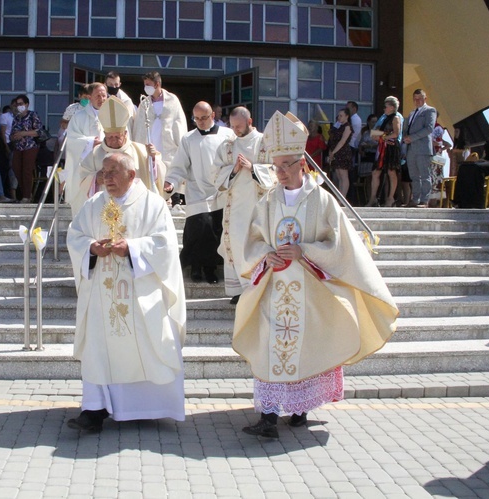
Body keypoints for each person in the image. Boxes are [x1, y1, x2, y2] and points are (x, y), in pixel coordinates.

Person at [234, 111, 398, 439]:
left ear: (302, 165)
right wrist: (266, 256)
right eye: (275, 166)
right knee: (270, 345)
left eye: (285, 166)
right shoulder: (267, 203)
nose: (279, 173)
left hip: (311, 289)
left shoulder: (322, 201)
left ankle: (299, 410)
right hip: (273, 288)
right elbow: (252, 242)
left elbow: (338, 245)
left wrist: (304, 251)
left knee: (307, 344)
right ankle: (267, 417)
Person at [66, 152, 186, 432]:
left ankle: (147, 406)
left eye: (113, 172)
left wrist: (131, 248)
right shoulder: (94, 204)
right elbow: (76, 235)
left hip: (141, 292)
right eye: (104, 172)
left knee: (146, 344)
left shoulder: (153, 205)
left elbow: (165, 245)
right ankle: (94, 410)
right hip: (101, 294)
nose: (106, 178)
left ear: (132, 175)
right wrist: (91, 248)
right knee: (98, 346)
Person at [164, 102, 236, 283]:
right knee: (198, 229)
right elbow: (179, 165)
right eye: (196, 119)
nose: (200, 122)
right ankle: (195, 268)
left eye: (204, 118)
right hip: (197, 191)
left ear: (212, 115)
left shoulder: (228, 135)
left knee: (214, 230)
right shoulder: (188, 139)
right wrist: (171, 183)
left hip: (221, 190)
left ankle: (210, 269)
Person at [214, 106, 275, 304]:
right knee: (237, 245)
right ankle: (241, 289)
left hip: (259, 207)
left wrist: (253, 168)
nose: (235, 130)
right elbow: (215, 174)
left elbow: (276, 170)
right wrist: (234, 170)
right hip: (236, 208)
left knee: (257, 247)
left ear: (249, 122)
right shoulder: (228, 146)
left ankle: (259, 288)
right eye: (232, 126)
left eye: (239, 126)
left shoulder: (265, 142)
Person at [76, 95, 165, 206]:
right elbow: (82, 180)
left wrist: (152, 159)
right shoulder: (94, 154)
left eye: (117, 137)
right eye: (110, 137)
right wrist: (95, 179)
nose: (113, 140)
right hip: (104, 209)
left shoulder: (141, 151)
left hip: (135, 207)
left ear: (125, 134)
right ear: (105, 134)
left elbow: (156, 178)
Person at [132, 71, 188, 209]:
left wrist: (179, 142)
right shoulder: (144, 102)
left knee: (170, 171)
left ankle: (175, 202)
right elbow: (139, 124)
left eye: (148, 84)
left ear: (157, 84)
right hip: (150, 141)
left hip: (167, 142)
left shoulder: (172, 100)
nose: (146, 87)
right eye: (145, 84)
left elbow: (178, 120)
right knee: (150, 171)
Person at [65, 82, 107, 215]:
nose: (101, 99)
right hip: (85, 168)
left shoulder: (113, 116)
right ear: (90, 97)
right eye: (97, 96)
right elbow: (71, 140)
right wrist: (89, 142)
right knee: (84, 208)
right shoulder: (78, 117)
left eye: (103, 95)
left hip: (105, 165)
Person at [453, 114, 489, 209]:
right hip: (486, 162)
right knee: (464, 167)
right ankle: (460, 201)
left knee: (477, 168)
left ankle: (477, 202)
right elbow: (485, 155)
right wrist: (480, 160)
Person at [403, 89, 437, 207]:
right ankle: (415, 199)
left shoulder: (430, 110)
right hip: (411, 148)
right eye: (415, 99)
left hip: (422, 148)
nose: (417, 101)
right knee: (414, 175)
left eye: (420, 98)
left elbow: (429, 128)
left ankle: (424, 200)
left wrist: (412, 137)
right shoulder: (412, 113)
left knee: (424, 174)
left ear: (425, 99)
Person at [367, 96, 403, 207]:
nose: (384, 109)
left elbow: (396, 134)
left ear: (392, 107)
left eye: (385, 106)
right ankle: (373, 198)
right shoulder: (384, 118)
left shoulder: (396, 118)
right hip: (382, 147)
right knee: (375, 172)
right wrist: (382, 136)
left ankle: (390, 198)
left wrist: (382, 136)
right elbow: (374, 133)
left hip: (391, 148)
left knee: (391, 172)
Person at [10, 94, 43, 203]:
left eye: (21, 104)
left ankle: (26, 196)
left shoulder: (33, 115)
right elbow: (12, 133)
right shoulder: (16, 118)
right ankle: (26, 192)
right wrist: (14, 136)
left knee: (27, 170)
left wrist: (23, 133)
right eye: (17, 104)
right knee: (16, 167)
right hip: (18, 147)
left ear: (26, 104)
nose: (19, 106)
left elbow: (38, 131)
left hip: (31, 146)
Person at [326, 108, 353, 199]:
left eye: (341, 116)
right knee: (338, 175)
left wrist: (333, 152)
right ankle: (340, 196)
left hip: (343, 152)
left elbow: (342, 141)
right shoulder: (338, 126)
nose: (339, 117)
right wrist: (331, 151)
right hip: (335, 152)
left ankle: (343, 198)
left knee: (343, 175)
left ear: (347, 116)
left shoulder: (347, 127)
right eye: (338, 115)